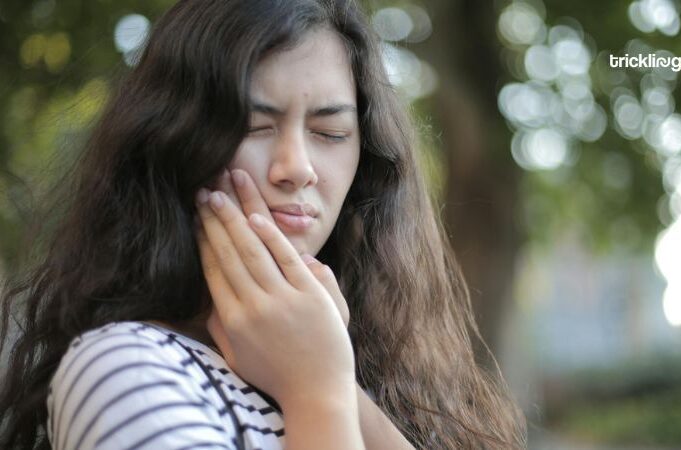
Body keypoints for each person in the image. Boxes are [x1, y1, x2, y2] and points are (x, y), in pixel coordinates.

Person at [0, 0, 527, 449]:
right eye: (255, 125)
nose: (296, 167)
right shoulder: (124, 370)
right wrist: (313, 393)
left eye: (330, 132)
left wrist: (333, 376)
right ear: (172, 144)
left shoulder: (359, 369)